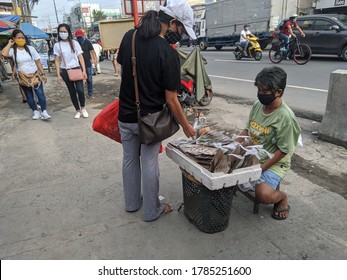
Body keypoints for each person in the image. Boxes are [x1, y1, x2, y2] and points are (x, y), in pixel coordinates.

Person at [117, 0, 196, 222]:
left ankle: (132, 204)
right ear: (172, 23)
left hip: (125, 115)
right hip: (149, 120)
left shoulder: (129, 37)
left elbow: (125, 75)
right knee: (149, 161)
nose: (180, 35)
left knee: (129, 159)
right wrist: (186, 126)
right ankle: (152, 210)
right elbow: (171, 100)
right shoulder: (167, 53)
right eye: (180, 29)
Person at [237, 66, 301, 220]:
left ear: (278, 92)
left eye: (265, 92)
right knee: (223, 163)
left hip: (275, 162)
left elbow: (283, 151)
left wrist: (260, 169)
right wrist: (232, 146)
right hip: (254, 152)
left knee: (263, 195)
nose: (260, 94)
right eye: (259, 90)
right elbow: (247, 130)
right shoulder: (257, 105)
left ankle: (282, 198)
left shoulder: (286, 118)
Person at [2, 29, 51, 120]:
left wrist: (43, 73)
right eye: (18, 38)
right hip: (23, 77)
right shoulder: (13, 51)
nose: (21, 39)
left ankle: (44, 111)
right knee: (29, 96)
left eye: (22, 38)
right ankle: (35, 112)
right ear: (14, 39)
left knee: (40, 94)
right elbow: (4, 54)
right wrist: (10, 43)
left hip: (35, 75)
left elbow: (38, 61)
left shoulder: (30, 48)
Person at [54, 24, 88, 119]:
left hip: (76, 68)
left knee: (80, 90)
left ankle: (83, 107)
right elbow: (57, 60)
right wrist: (58, 75)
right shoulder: (57, 45)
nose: (63, 33)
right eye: (61, 31)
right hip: (65, 71)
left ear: (69, 32)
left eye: (65, 31)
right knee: (72, 92)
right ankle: (77, 110)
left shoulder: (74, 43)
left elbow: (80, 57)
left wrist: (84, 70)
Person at [75, 29, 97, 98]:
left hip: (87, 63)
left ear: (83, 36)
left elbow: (92, 51)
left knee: (89, 79)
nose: (79, 39)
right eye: (78, 37)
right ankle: (81, 94)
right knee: (79, 80)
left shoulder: (87, 42)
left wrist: (94, 59)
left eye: (80, 37)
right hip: (78, 64)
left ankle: (90, 93)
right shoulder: (75, 43)